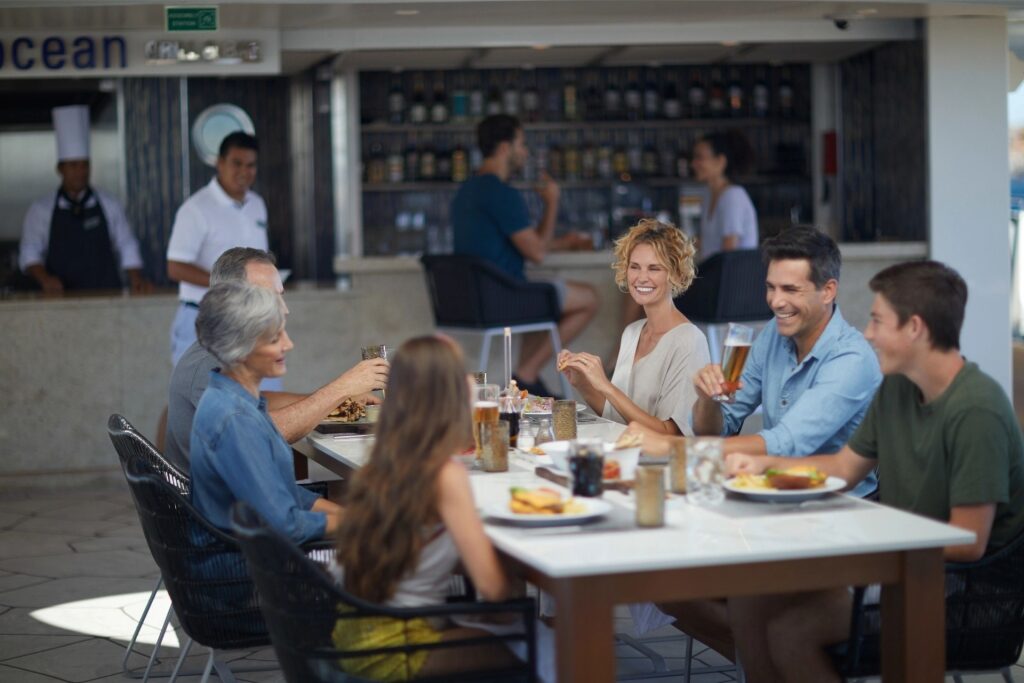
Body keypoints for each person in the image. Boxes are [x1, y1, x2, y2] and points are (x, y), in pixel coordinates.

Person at [722, 260, 1024, 683]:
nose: (867, 333)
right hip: (900, 565)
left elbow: (969, 541)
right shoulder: (898, 386)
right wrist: (765, 467)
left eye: (878, 320)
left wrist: (865, 550)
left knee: (791, 631)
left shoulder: (977, 409)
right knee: (750, 597)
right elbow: (844, 467)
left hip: (961, 591)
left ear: (914, 328)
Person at [333, 336, 538, 680]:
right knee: (548, 640)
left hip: (353, 637)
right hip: (396, 650)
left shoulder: (382, 460)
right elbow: (492, 589)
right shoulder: (445, 475)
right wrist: (512, 574)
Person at [165, 247, 388, 471]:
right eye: (270, 298)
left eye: (281, 296)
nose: (285, 310)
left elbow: (258, 403)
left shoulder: (221, 352)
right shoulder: (207, 363)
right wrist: (343, 388)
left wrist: (339, 401)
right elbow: (263, 433)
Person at [451, 114, 598, 397]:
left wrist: (563, 243)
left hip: (476, 299)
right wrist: (552, 202)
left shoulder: (467, 191)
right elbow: (537, 253)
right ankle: (526, 374)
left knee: (544, 301)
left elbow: (526, 244)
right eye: (521, 144)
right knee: (590, 298)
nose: (526, 152)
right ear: (505, 148)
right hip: (503, 298)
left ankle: (527, 376)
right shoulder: (501, 193)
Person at [190, 282, 343, 543]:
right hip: (243, 569)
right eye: (275, 339)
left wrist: (349, 516)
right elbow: (286, 526)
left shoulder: (233, 399)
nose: (289, 344)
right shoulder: (235, 420)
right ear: (241, 350)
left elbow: (278, 494)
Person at [558, 219, 709, 434]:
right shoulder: (632, 332)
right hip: (624, 456)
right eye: (634, 267)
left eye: (654, 268)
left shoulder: (689, 341)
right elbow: (618, 417)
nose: (641, 278)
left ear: (675, 274)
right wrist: (583, 383)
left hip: (660, 464)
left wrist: (605, 385)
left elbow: (671, 435)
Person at [19, 105, 149, 295]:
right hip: (61, 299)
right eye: (73, 165)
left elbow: (126, 244)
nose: (81, 172)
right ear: (60, 169)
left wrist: (136, 278)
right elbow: (30, 251)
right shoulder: (41, 209)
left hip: (107, 296)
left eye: (85, 165)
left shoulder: (109, 204)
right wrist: (45, 279)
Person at [166, 131, 267, 367]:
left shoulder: (257, 204)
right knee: (199, 399)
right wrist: (230, 281)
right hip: (204, 319)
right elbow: (175, 267)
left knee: (256, 400)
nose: (244, 172)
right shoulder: (196, 209)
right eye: (237, 163)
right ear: (220, 163)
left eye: (251, 165)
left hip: (248, 320)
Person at [691, 130, 758, 259]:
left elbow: (730, 250)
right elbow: (706, 243)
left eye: (699, 157)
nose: (693, 164)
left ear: (720, 161)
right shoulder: (708, 195)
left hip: (734, 277)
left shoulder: (733, 196)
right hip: (715, 275)